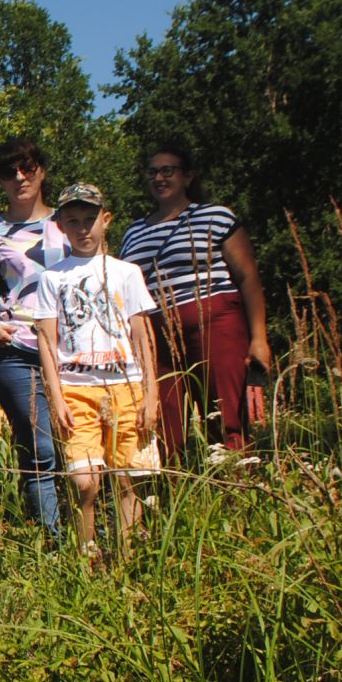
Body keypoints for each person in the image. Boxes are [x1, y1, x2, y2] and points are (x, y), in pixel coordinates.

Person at [30, 184, 161, 560]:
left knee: (125, 479)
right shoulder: (52, 278)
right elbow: (46, 341)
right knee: (85, 481)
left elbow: (141, 333)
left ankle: (127, 557)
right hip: (76, 388)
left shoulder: (127, 272)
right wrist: (56, 398)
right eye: (74, 221)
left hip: (126, 386)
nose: (83, 229)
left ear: (106, 220)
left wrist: (150, 393)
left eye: (90, 220)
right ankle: (87, 555)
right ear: (61, 226)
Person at [118, 144, 271, 457]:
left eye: (167, 170)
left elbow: (248, 276)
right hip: (155, 334)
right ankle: (172, 495)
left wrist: (259, 338)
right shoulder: (133, 232)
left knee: (225, 412)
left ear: (188, 177)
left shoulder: (214, 216)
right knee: (163, 418)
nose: (159, 177)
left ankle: (235, 489)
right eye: (153, 172)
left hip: (214, 321)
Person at [0, 138, 66, 539]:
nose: (20, 177)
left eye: (27, 168)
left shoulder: (70, 221)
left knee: (83, 443)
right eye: (9, 172)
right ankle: (55, 542)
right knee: (40, 449)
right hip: (17, 349)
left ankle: (93, 534)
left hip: (73, 349)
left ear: (41, 170)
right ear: (0, 182)